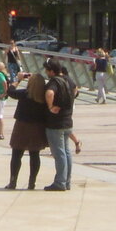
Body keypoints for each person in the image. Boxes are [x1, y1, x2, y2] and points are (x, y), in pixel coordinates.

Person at [6, 71, 48, 190]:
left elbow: (10, 91)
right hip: (37, 127)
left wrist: (18, 79)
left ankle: (13, 181)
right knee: (34, 155)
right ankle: (32, 182)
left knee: (16, 154)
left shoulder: (25, 94)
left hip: (22, 126)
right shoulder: (44, 96)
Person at [43, 58, 76, 191]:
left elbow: (50, 93)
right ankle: (67, 181)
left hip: (56, 122)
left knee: (59, 152)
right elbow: (75, 90)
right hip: (68, 120)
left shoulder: (54, 81)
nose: (46, 72)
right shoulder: (68, 79)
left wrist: (51, 107)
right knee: (67, 152)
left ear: (51, 71)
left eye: (47, 70)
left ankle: (60, 182)